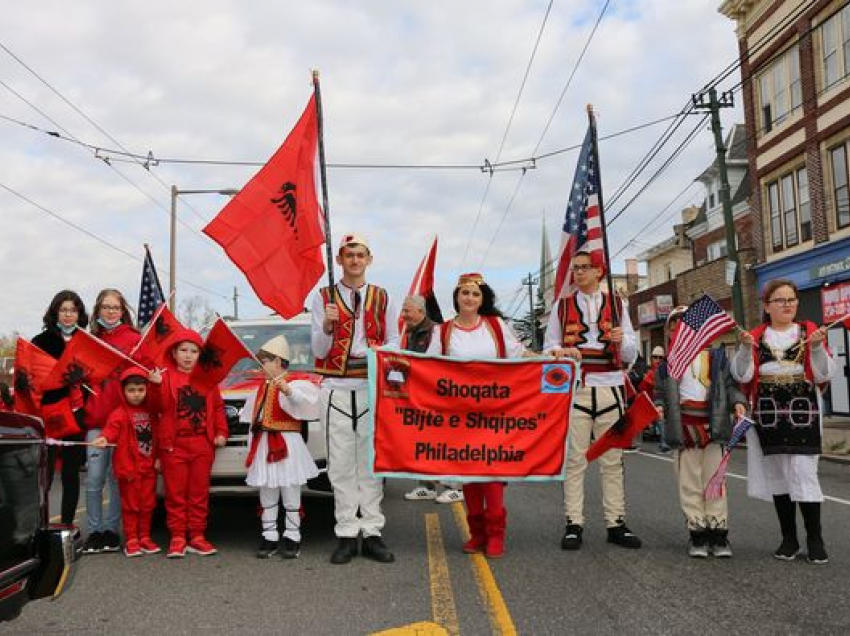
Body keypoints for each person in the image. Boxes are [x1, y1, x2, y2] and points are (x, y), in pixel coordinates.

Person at [426, 273, 530, 558]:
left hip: (494, 414)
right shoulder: (443, 331)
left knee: (493, 477)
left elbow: (521, 357)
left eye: (475, 294)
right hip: (459, 416)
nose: (470, 298)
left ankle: (496, 534)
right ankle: (477, 534)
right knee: (469, 477)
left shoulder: (497, 327)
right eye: (465, 293)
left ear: (482, 299)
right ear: (457, 297)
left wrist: (554, 358)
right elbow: (429, 367)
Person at [731, 279, 836, 564]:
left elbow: (825, 373)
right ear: (767, 306)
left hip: (803, 410)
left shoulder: (809, 332)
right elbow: (742, 376)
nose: (787, 304)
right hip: (768, 412)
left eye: (791, 299)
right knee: (778, 474)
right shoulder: (755, 337)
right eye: (780, 300)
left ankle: (815, 539)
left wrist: (815, 349)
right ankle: (788, 539)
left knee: (804, 471)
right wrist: (742, 349)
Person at [544, 250, 642, 551]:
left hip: (611, 386)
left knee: (613, 460)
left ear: (600, 271)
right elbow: (549, 347)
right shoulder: (561, 307)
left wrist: (620, 340)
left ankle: (616, 522)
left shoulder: (617, 303)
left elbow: (631, 354)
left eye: (585, 268)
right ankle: (574, 523)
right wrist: (561, 352)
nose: (579, 273)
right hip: (577, 388)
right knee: (575, 459)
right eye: (576, 268)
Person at [311, 233, 399, 565]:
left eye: (360, 255)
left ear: (369, 259)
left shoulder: (383, 296)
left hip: (369, 386)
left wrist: (381, 354)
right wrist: (328, 327)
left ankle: (373, 532)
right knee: (340, 464)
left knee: (370, 462)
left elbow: (394, 339)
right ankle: (347, 533)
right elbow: (318, 349)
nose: (354, 260)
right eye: (349, 255)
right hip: (335, 386)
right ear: (339, 260)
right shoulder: (323, 297)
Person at [654, 306, 747, 558]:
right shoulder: (667, 364)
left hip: (714, 425)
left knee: (715, 482)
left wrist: (738, 402)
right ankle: (697, 533)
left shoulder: (717, 358)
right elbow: (660, 394)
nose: (681, 328)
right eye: (675, 325)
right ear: (670, 331)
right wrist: (659, 407)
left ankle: (719, 534)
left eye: (686, 323)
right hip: (683, 427)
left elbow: (730, 386)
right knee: (689, 483)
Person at [147, 328, 228, 558]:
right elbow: (157, 407)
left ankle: (197, 536)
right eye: (183, 350)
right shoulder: (165, 377)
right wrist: (154, 385)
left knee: (199, 492)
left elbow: (218, 408)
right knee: (176, 494)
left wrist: (221, 431)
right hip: (174, 445)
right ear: (173, 353)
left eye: (194, 351)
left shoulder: (208, 380)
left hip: (202, 444)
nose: (188, 355)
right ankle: (178, 537)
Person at [241, 335, 320, 559]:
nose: (260, 367)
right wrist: (251, 449)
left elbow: (306, 405)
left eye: (263, 362)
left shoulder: (297, 383)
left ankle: (292, 535)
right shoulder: (257, 390)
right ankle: (269, 535)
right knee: (267, 490)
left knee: (291, 491)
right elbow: (252, 423)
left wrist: (288, 391)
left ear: (277, 361)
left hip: (288, 445)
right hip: (264, 444)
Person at [81, 288, 141, 554]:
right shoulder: (87, 339)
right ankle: (94, 531)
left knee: (117, 479)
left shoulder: (134, 339)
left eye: (115, 307)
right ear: (97, 310)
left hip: (122, 421)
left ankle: (111, 531)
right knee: (94, 479)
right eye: (105, 307)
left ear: (123, 311)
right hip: (95, 421)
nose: (110, 312)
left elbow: (141, 375)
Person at [32, 290, 89, 526]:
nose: (68, 315)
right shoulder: (40, 342)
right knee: (43, 476)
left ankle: (67, 525)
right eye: (64, 310)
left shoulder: (87, 342)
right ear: (55, 312)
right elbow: (34, 379)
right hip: (50, 415)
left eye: (73, 310)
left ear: (79, 314)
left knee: (70, 474)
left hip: (76, 415)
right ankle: (39, 525)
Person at [399, 294, 463, 505]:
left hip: (438, 398)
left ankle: (455, 487)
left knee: (445, 444)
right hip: (418, 397)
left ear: (420, 311)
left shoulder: (437, 332)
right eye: (403, 310)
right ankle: (426, 486)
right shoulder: (409, 333)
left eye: (407, 310)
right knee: (422, 444)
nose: (403, 314)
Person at [92, 368, 159, 557]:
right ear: (123, 391)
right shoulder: (118, 413)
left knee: (148, 504)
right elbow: (110, 431)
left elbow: (158, 436)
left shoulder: (151, 412)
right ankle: (131, 539)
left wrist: (159, 458)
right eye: (131, 390)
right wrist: (104, 438)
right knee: (131, 506)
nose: (136, 394)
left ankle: (144, 537)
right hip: (129, 468)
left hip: (148, 467)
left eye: (140, 389)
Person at [645, 346, 670, 453]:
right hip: (654, 399)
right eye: (655, 357)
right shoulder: (650, 372)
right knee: (661, 420)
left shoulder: (666, 369)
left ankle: (665, 443)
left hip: (665, 398)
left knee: (663, 420)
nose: (658, 360)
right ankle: (663, 441)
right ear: (652, 358)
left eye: (660, 357)